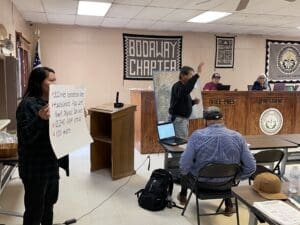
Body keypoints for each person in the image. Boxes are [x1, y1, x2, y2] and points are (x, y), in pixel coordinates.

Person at [177, 106, 256, 215]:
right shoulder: (238, 137)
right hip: (227, 185)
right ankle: (229, 206)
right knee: (225, 169)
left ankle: (182, 196)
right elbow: (251, 167)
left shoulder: (196, 136)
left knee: (185, 168)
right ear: (223, 119)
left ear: (205, 121)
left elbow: (184, 165)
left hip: (200, 184)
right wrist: (236, 177)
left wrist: (185, 172)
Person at [16, 67, 59, 225]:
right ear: (39, 83)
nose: (55, 83)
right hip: (34, 167)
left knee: (49, 205)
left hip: (50, 164)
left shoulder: (53, 103)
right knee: (35, 210)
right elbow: (26, 136)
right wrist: (40, 119)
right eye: (51, 80)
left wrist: (75, 117)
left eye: (55, 79)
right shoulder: (27, 105)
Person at [169, 62, 204, 139]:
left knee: (182, 140)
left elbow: (181, 103)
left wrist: (193, 102)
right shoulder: (178, 86)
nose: (192, 77)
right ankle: (180, 152)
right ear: (182, 75)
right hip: (179, 119)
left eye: (192, 75)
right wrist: (197, 74)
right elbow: (185, 90)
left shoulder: (183, 87)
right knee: (181, 141)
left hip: (182, 119)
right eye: (190, 75)